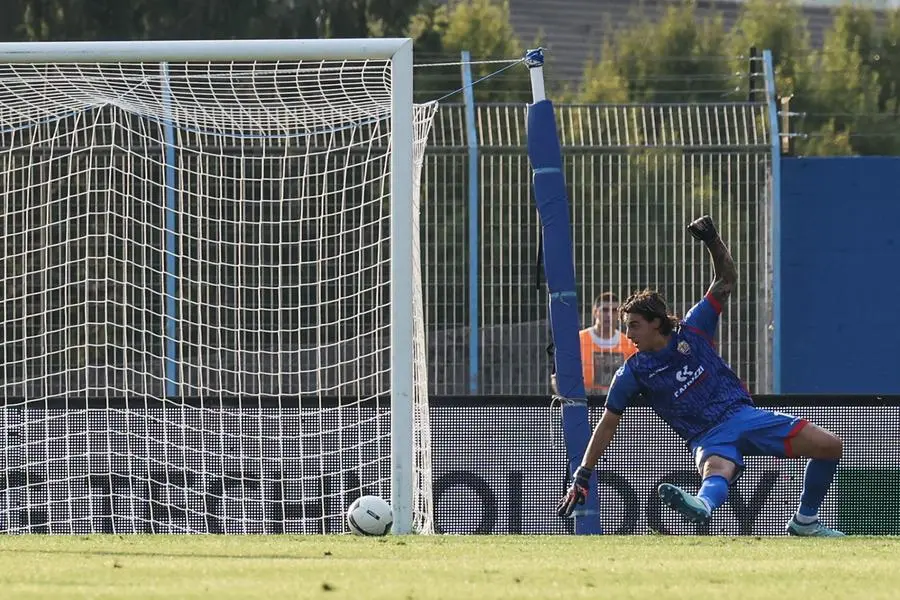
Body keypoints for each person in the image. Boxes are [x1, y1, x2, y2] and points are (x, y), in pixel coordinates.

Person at [556, 215, 845, 537]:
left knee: (829, 446)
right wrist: (582, 474)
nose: (628, 334)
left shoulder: (693, 330)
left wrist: (712, 240)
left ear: (656, 322)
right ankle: (702, 505)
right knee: (717, 470)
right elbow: (607, 424)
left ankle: (805, 521)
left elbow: (726, 280)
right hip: (707, 436)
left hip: (742, 415)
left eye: (634, 325)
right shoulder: (633, 372)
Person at [579, 292, 638, 394]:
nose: (609, 315)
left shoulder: (630, 343)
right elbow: (557, 376)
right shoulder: (578, 340)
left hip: (620, 405)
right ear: (595, 312)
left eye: (614, 311)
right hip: (584, 404)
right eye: (605, 310)